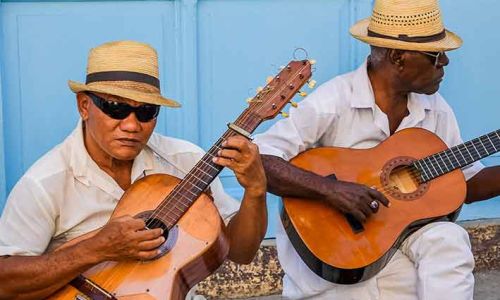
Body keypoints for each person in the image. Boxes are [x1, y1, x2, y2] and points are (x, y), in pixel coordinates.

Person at [253, 0, 500, 299]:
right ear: (398, 57)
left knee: (450, 238)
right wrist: (329, 189)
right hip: (336, 261)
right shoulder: (333, 101)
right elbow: (260, 159)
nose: (445, 64)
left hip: (399, 251)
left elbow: (465, 183)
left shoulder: (434, 108)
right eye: (436, 56)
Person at [0, 40, 268, 299]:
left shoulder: (185, 161)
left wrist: (256, 191)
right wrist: (95, 249)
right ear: (84, 106)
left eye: (146, 111)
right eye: (116, 108)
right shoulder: (46, 182)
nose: (131, 125)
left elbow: (241, 253)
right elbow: (5, 283)